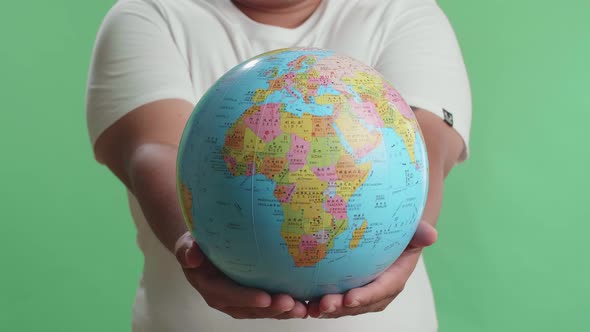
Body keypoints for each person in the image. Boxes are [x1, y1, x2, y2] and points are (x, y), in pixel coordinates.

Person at [86, 0, 471, 331]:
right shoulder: (149, 14)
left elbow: (425, 144)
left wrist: (404, 240)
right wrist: (192, 241)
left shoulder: (404, 12)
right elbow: (152, 148)